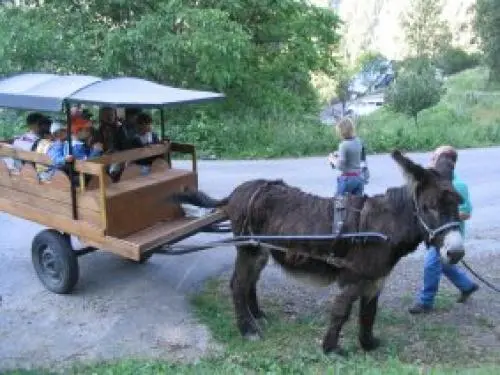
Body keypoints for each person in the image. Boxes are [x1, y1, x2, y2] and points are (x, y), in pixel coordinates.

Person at [408, 145, 479, 314]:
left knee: (431, 264)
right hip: (437, 232)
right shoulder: (433, 183)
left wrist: (447, 214)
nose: (431, 160)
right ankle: (467, 286)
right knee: (444, 263)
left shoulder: (458, 185)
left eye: (435, 157)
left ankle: (426, 301)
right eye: (433, 156)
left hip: (450, 234)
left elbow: (467, 213)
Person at [328, 117, 368, 196]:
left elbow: (340, 166)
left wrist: (332, 159)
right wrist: (339, 154)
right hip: (359, 178)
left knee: (338, 204)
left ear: (341, 132)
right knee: (357, 205)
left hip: (347, 180)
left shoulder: (343, 145)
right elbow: (354, 155)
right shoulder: (358, 141)